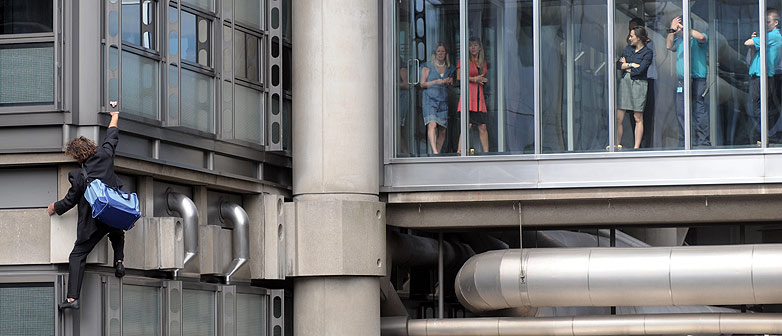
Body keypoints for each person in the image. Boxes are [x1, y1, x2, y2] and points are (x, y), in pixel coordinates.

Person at [48, 105, 126, 310]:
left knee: (77, 255)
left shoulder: (78, 175)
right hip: (114, 210)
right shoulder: (106, 155)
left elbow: (70, 200)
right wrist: (115, 116)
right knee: (116, 229)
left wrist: (54, 207)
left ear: (76, 156)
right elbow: (112, 135)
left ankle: (73, 299)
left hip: (94, 222)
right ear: (92, 146)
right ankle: (119, 260)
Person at [666, 15, 709, 147]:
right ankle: (687, 139)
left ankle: (703, 140)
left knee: (698, 108)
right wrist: (672, 31)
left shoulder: (697, 37)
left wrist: (685, 30)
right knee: (681, 110)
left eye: (679, 26)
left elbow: (702, 38)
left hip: (697, 79)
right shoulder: (679, 39)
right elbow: (668, 46)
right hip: (682, 80)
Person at [745, 9, 782, 144]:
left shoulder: (773, 36)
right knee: (759, 106)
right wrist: (755, 42)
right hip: (758, 75)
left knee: (763, 106)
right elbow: (751, 58)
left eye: (767, 22)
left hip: (766, 75)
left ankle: (765, 133)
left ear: (775, 23)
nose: (764, 25)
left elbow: (747, 42)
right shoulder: (765, 39)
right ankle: (763, 133)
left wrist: (754, 39)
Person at [616, 26, 653, 149]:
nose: (629, 38)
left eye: (632, 36)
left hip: (639, 84)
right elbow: (618, 64)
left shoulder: (648, 52)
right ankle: (616, 144)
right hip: (626, 82)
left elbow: (641, 70)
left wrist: (626, 67)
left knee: (638, 117)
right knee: (619, 116)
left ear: (638, 38)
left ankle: (636, 147)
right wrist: (631, 64)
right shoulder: (628, 49)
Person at [420, 43, 455, 154]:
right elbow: (422, 84)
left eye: (442, 51)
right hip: (430, 99)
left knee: (443, 130)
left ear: (446, 53)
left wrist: (449, 82)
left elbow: (452, 85)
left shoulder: (449, 68)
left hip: (443, 100)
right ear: (435, 53)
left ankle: (438, 153)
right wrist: (436, 82)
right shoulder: (427, 66)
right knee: (432, 124)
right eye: (438, 51)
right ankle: (434, 152)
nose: (440, 53)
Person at [457, 37, 489, 153]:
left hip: (479, 98)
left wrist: (481, 79)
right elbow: (459, 77)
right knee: (467, 125)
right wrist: (475, 79)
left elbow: (483, 76)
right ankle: (460, 151)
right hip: (469, 97)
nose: (473, 48)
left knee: (482, 126)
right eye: (471, 46)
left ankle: (486, 153)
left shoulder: (482, 62)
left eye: (475, 45)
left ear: (479, 47)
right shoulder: (464, 60)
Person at [629, 18, 656, 148]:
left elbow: (639, 68)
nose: (631, 34)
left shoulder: (648, 46)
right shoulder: (629, 47)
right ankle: (636, 144)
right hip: (633, 82)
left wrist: (629, 66)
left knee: (646, 114)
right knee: (633, 115)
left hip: (647, 81)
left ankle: (645, 146)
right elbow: (621, 63)